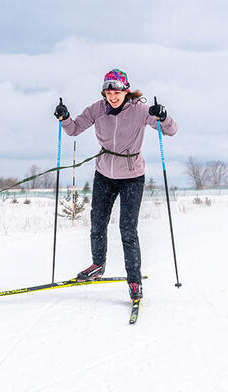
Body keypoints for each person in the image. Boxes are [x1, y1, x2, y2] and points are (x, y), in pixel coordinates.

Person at [53, 68, 178, 301]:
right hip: (104, 174)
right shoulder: (97, 109)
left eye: (117, 91)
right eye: (108, 91)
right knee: (97, 223)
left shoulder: (140, 110)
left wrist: (163, 116)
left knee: (127, 230)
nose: (112, 95)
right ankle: (97, 265)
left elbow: (170, 130)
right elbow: (74, 129)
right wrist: (65, 117)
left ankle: (134, 281)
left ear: (126, 90)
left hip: (132, 176)